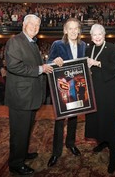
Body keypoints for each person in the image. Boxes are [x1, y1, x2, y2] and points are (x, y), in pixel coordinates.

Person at [5, 14, 53, 175]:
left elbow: (34, 65)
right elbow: (14, 66)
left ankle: (22, 154)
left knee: (25, 129)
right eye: (31, 24)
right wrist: (40, 69)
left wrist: (47, 66)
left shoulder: (32, 43)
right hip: (21, 97)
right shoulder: (15, 41)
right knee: (19, 131)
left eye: (37, 25)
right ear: (24, 25)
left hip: (29, 96)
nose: (34, 27)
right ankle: (16, 163)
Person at [47, 17, 86, 167]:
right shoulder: (57, 44)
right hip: (62, 89)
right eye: (71, 28)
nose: (74, 31)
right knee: (59, 121)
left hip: (76, 89)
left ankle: (71, 144)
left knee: (74, 119)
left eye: (76, 28)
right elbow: (49, 63)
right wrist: (54, 61)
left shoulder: (83, 45)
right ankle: (56, 153)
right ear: (65, 30)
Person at [85, 24, 115, 174]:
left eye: (100, 34)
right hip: (94, 91)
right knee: (97, 119)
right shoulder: (89, 49)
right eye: (94, 35)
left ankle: (113, 153)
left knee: (109, 120)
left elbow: (114, 67)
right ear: (91, 37)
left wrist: (97, 63)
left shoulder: (111, 48)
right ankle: (102, 142)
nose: (97, 37)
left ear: (104, 34)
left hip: (109, 93)